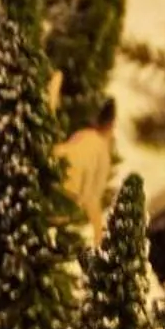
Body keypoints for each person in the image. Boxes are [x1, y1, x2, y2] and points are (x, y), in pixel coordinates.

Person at [56, 96, 118, 242]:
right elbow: (92, 197)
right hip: (69, 203)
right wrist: (98, 233)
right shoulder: (101, 151)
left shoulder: (81, 136)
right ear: (111, 125)